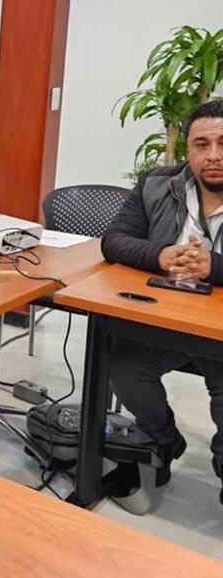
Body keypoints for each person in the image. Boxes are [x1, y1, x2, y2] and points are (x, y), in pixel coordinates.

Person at [102, 99, 223, 501]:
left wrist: (214, 266)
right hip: (166, 320)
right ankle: (161, 442)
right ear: (187, 149)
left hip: (219, 333)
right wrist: (159, 255)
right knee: (123, 367)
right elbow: (114, 240)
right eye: (202, 144)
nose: (214, 156)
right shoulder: (157, 183)